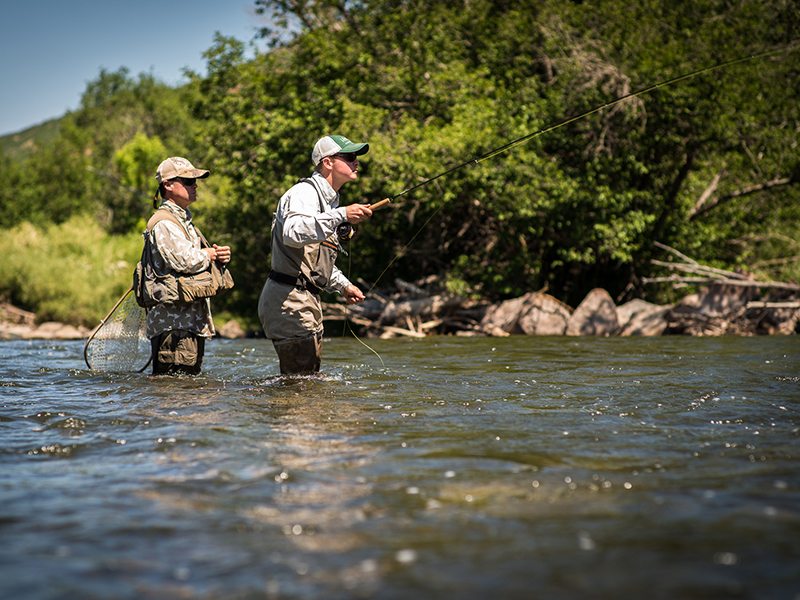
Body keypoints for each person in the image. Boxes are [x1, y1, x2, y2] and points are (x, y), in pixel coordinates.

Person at [258, 134, 374, 374]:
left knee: (305, 381)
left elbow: (314, 262)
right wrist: (341, 215)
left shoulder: (329, 203)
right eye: (350, 157)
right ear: (328, 162)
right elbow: (293, 233)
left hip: (303, 301)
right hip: (288, 300)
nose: (356, 163)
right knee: (300, 386)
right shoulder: (304, 193)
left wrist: (343, 285)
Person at [145, 156, 232, 375]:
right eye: (188, 182)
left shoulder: (184, 222)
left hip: (186, 324)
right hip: (174, 328)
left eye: (195, 182)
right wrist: (209, 255)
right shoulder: (164, 222)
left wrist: (218, 256)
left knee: (185, 395)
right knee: (175, 396)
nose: (195, 187)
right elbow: (183, 261)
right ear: (167, 185)